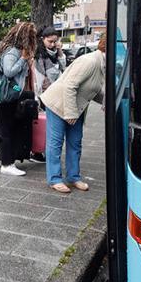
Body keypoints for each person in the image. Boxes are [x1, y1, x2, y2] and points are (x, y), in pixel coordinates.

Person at [39, 33, 106, 193]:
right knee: (55, 142)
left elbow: (91, 89)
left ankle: (73, 177)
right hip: (59, 104)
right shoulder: (90, 61)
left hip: (75, 107)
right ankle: (54, 179)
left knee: (75, 142)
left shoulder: (101, 64)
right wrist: (70, 114)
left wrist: (106, 101)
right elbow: (70, 85)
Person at [0, 21, 37, 176]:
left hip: (13, 96)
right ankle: (6, 163)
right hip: (5, 98)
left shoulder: (18, 52)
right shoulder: (12, 52)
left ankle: (8, 161)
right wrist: (23, 60)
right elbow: (9, 72)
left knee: (10, 128)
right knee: (6, 130)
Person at [29, 26, 67, 162]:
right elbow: (38, 82)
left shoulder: (56, 54)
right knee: (46, 125)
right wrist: (39, 99)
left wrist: (60, 51)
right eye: (50, 41)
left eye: (55, 41)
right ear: (43, 40)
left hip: (56, 94)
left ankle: (44, 150)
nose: (52, 44)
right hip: (45, 97)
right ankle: (37, 151)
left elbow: (64, 67)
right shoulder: (39, 56)